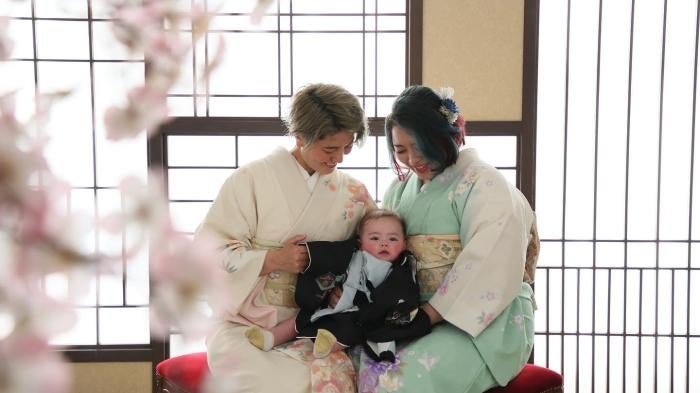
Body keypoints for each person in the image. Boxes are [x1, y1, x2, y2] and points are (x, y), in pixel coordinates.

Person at [352, 85, 540, 393]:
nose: (413, 159)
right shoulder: (397, 192)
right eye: (401, 150)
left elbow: (488, 261)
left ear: (445, 135)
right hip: (416, 315)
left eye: (421, 145)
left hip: (485, 322)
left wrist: (427, 316)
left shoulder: (485, 184)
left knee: (398, 379)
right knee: (362, 362)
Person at [196, 83, 375, 393]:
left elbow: (373, 253)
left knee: (319, 381)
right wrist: (271, 260)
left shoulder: (354, 194)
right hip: (242, 325)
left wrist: (347, 292)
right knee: (272, 382)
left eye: (345, 148)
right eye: (330, 149)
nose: (339, 160)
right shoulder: (250, 179)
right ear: (301, 136)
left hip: (313, 327)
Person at [245, 209, 431, 363]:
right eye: (374, 238)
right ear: (361, 242)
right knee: (304, 317)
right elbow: (330, 259)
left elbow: (405, 295)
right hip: (334, 303)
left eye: (393, 239)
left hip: (363, 315)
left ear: (404, 243)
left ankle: (325, 346)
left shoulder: (403, 268)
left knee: (350, 331)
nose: (384, 243)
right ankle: (271, 337)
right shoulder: (351, 255)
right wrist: (315, 262)